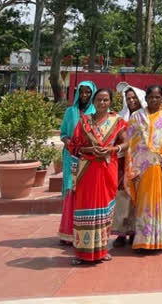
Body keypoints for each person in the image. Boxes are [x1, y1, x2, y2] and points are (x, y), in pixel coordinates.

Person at [67, 88, 128, 264]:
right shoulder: (84, 121)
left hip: (107, 169)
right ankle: (81, 253)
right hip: (87, 169)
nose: (102, 103)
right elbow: (73, 146)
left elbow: (125, 143)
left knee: (104, 209)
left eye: (106, 100)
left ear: (110, 102)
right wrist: (89, 149)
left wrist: (112, 149)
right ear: (93, 102)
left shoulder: (117, 122)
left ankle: (101, 250)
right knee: (84, 208)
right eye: (99, 100)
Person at [125, 85, 162, 251]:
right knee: (142, 204)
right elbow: (131, 143)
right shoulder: (137, 116)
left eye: (158, 97)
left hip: (160, 166)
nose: (154, 100)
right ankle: (141, 241)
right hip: (141, 167)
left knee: (158, 204)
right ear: (145, 99)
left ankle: (157, 241)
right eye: (151, 97)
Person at [58, 80, 97, 244]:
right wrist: (67, 141)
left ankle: (84, 233)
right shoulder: (70, 111)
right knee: (70, 190)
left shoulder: (97, 111)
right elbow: (63, 133)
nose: (84, 95)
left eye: (88, 92)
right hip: (71, 157)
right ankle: (67, 233)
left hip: (89, 159)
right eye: (82, 92)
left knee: (85, 193)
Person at [112, 87, 146, 247]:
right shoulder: (121, 118)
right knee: (122, 197)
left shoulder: (146, 117)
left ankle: (134, 230)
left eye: (134, 98)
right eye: (128, 98)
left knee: (137, 199)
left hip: (141, 162)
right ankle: (120, 232)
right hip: (123, 163)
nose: (131, 101)